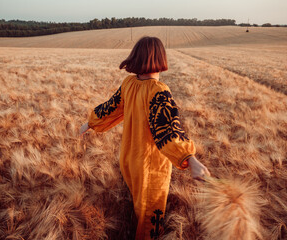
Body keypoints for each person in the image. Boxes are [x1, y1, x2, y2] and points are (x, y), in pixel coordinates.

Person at [79, 36, 210, 240]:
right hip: (150, 169)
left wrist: (90, 123)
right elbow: (167, 129)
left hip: (130, 161)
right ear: (160, 58)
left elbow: (110, 108)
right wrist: (190, 159)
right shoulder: (159, 91)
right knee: (150, 220)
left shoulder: (129, 83)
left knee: (138, 208)